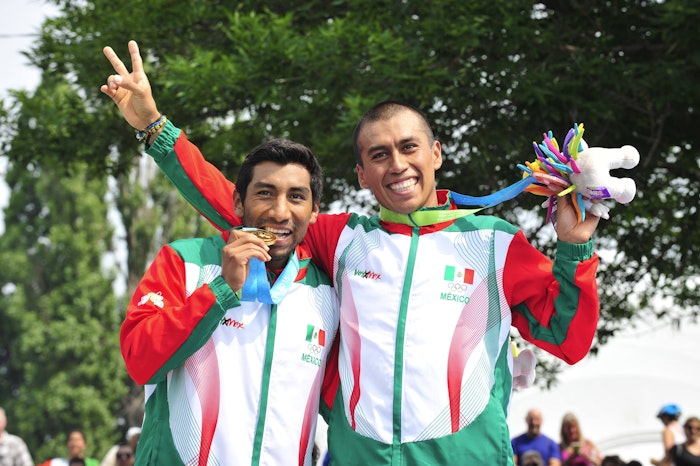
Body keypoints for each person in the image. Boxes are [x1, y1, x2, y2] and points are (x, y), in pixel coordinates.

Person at [103, 40, 615, 465]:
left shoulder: (494, 242)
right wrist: (156, 129)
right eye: (379, 155)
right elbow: (255, 212)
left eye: (409, 147)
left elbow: (567, 338)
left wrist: (574, 248)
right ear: (362, 175)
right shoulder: (342, 239)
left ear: (435, 153)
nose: (398, 165)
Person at [103, 43, 339, 466]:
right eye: (264, 194)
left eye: (296, 197)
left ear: (315, 210)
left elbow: (350, 406)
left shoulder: (327, 292)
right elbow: (140, 361)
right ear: (238, 202)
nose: (279, 212)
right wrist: (219, 291)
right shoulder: (186, 262)